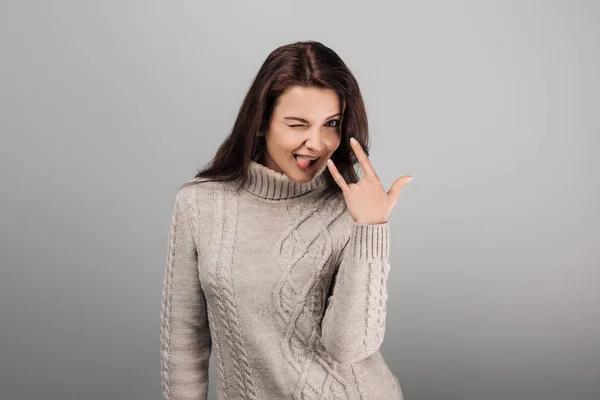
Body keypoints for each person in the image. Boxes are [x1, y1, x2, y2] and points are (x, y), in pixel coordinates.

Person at [160, 40, 413, 400]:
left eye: (332, 124)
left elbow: (349, 348)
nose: (317, 143)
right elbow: (184, 339)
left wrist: (371, 229)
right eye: (298, 124)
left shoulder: (351, 207)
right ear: (260, 123)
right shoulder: (200, 203)